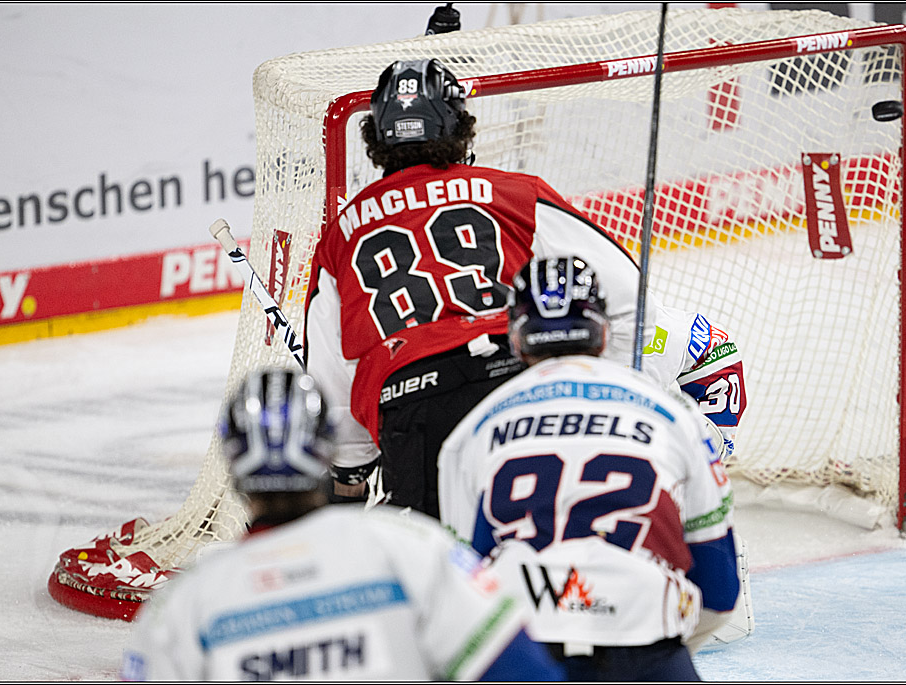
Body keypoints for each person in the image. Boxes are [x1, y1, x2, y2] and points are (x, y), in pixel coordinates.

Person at [304, 58, 747, 519]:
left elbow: (332, 373)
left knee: (447, 569)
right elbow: (631, 297)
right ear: (461, 124)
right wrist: (592, 392)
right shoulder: (512, 192)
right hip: (513, 384)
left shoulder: (342, 231)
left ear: (375, 136)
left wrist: (350, 475)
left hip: (409, 411)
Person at [119, 368, 564, 682]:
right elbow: (521, 670)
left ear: (232, 459)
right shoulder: (409, 546)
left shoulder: (183, 605)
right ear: (327, 447)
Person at [437, 256, 741, 681]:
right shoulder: (679, 418)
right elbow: (721, 590)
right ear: (604, 329)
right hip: (648, 652)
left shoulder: (468, 435)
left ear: (515, 337)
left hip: (528, 654)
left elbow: (464, 592)